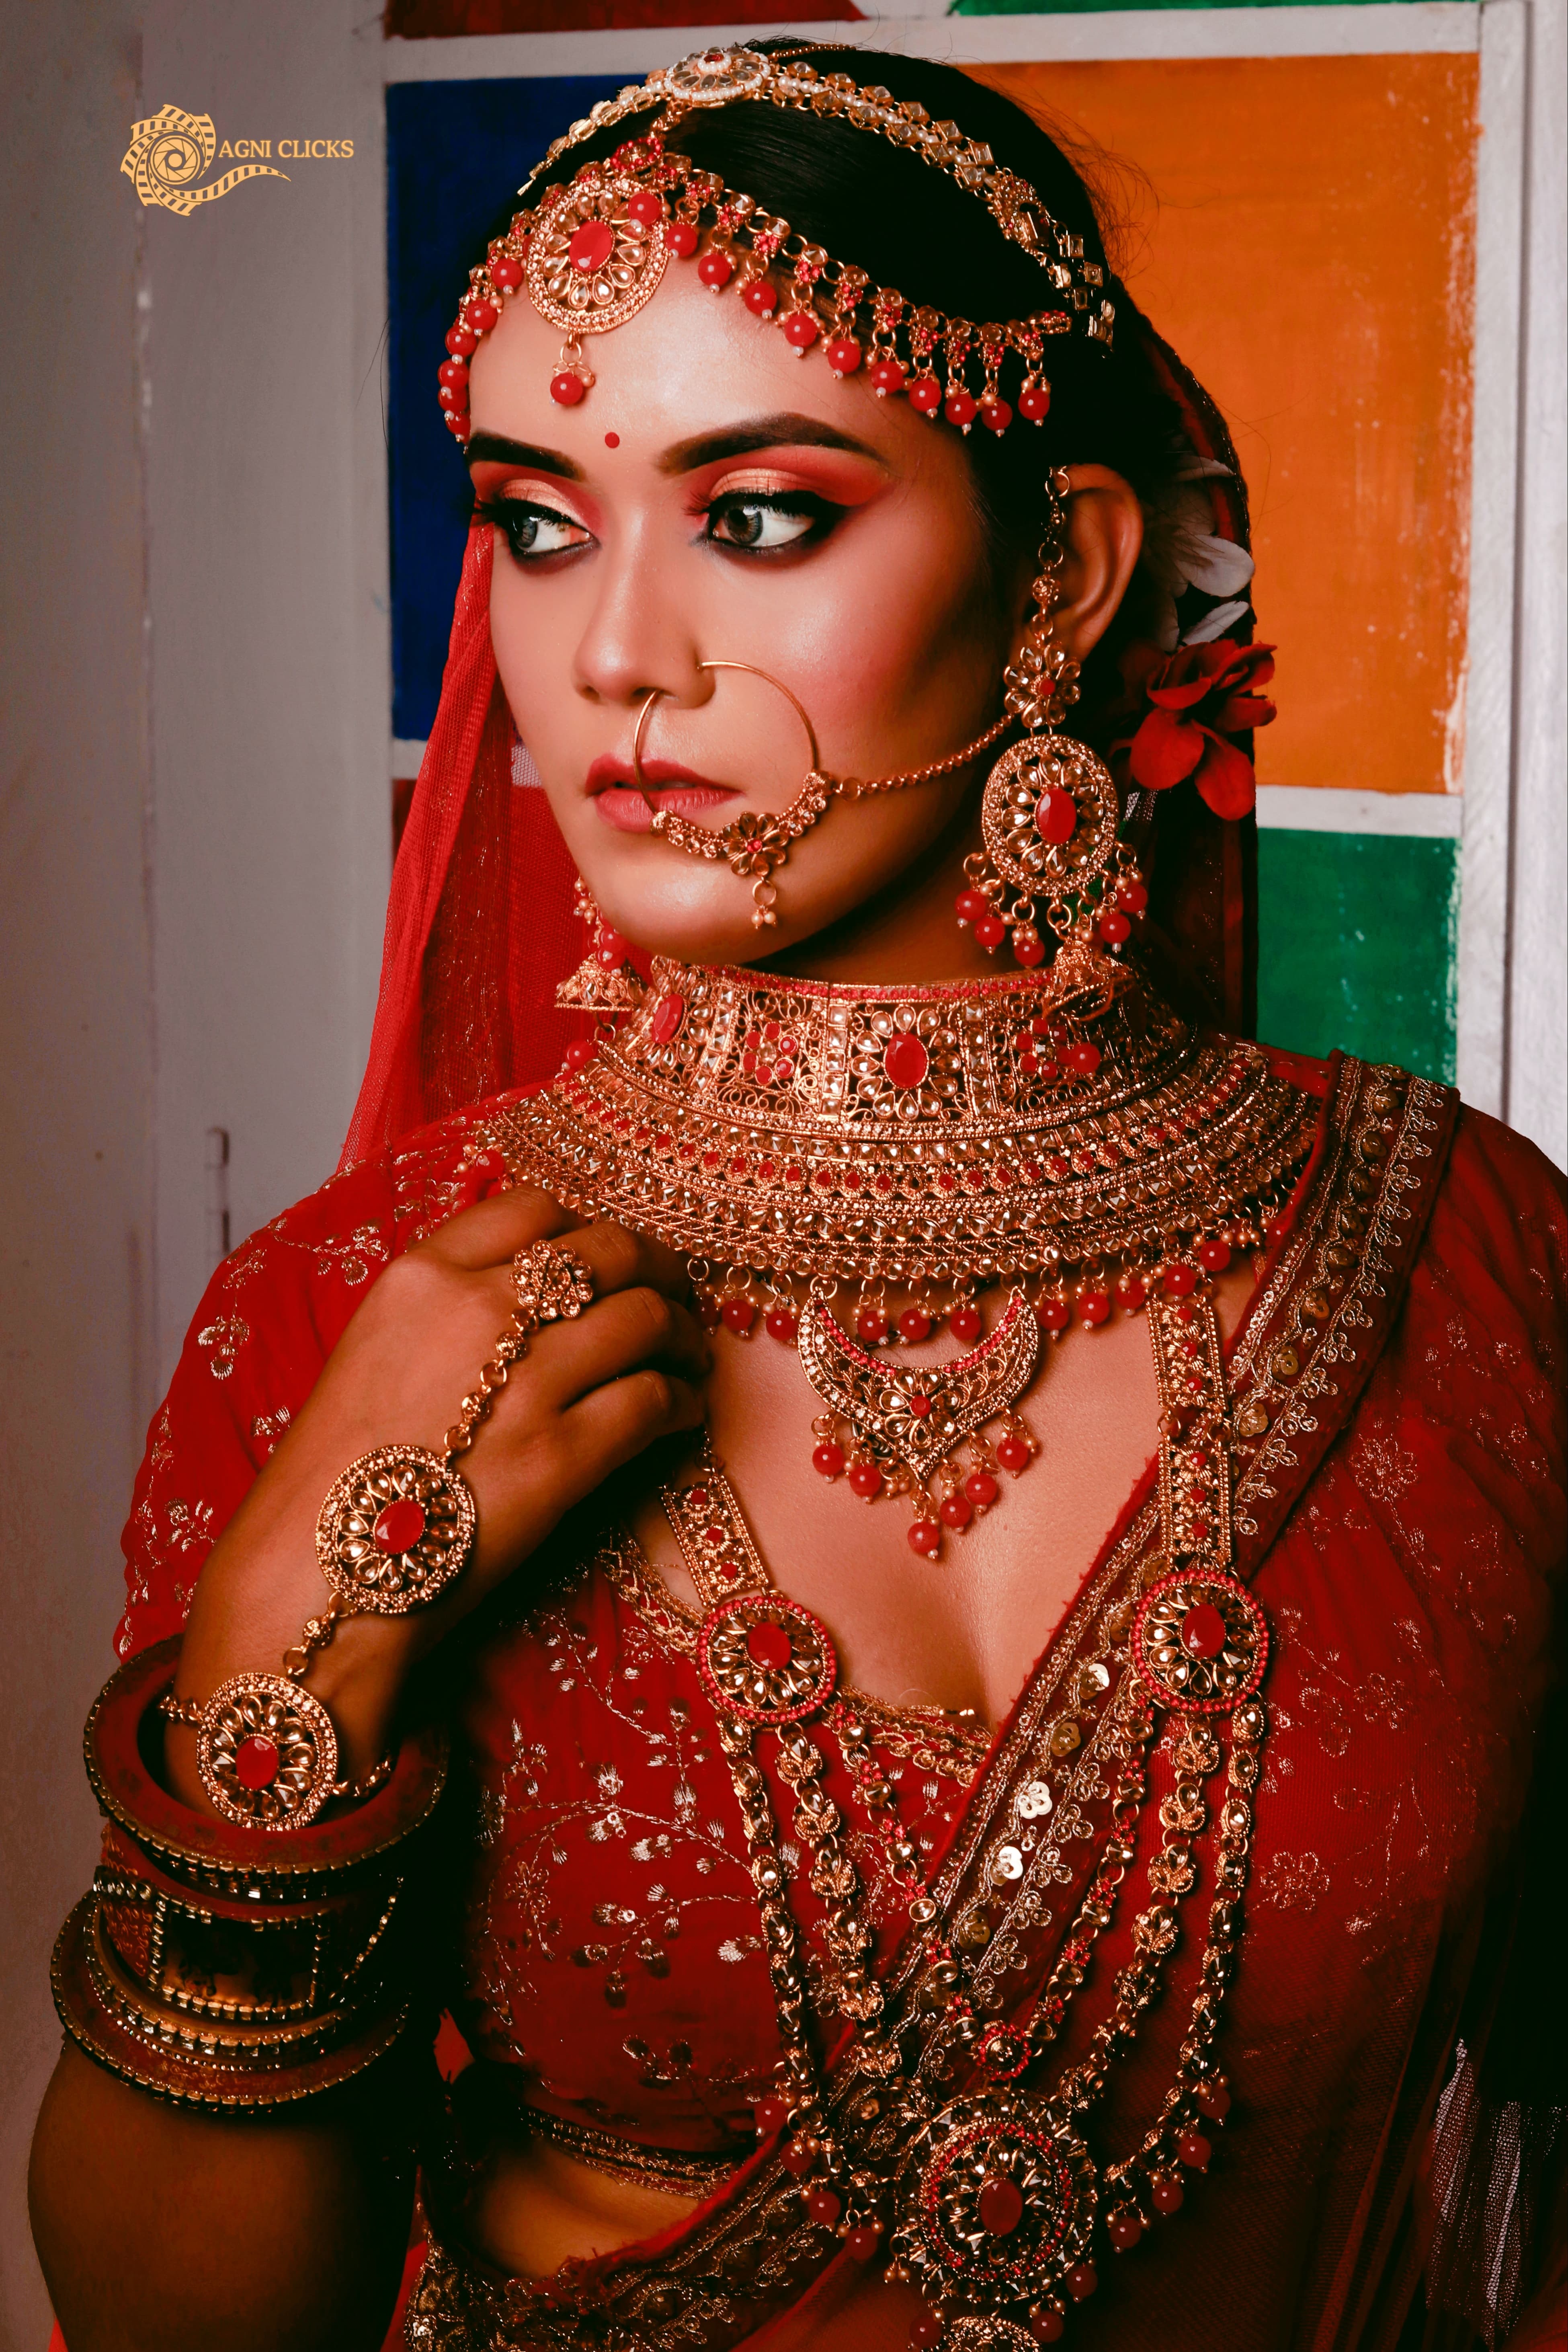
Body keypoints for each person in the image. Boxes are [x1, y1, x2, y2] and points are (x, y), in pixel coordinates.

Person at [28, 43, 1566, 2352]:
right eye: (540, 522)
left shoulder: (1473, 1258)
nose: (611, 657)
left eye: (756, 515)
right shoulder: (353, 1312)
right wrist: (290, 1662)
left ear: (1063, 569)